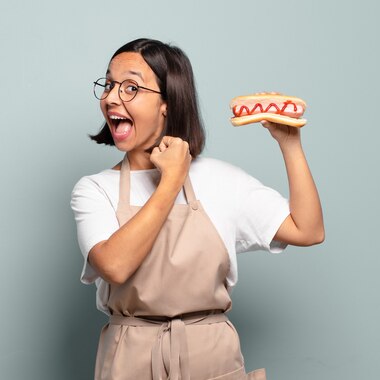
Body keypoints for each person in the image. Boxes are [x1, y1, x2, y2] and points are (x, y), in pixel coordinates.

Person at [70, 38, 324, 380]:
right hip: (129, 356)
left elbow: (307, 230)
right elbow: (114, 266)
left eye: (131, 87)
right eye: (110, 84)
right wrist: (171, 181)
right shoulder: (95, 189)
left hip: (210, 353)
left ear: (168, 104)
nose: (112, 97)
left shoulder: (221, 179)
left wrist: (290, 144)